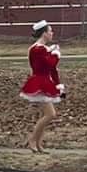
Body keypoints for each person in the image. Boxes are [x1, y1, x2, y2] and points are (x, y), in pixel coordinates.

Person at [20, 21, 64, 152]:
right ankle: (32, 141)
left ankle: (38, 143)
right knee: (50, 114)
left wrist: (58, 85)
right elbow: (49, 65)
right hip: (39, 83)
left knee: (46, 115)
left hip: (45, 82)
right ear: (44, 33)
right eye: (50, 31)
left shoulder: (42, 49)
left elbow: (52, 70)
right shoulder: (37, 49)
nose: (52, 33)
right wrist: (55, 54)